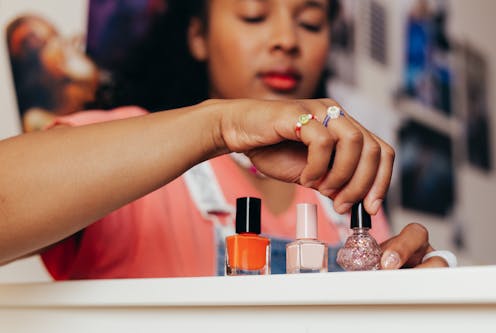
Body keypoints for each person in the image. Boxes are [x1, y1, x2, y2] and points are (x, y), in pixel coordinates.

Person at [2, 0, 450, 277]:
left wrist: (412, 288)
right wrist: (220, 125)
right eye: (254, 14)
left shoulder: (344, 190)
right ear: (198, 36)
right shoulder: (123, 146)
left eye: (311, 22)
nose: (285, 40)